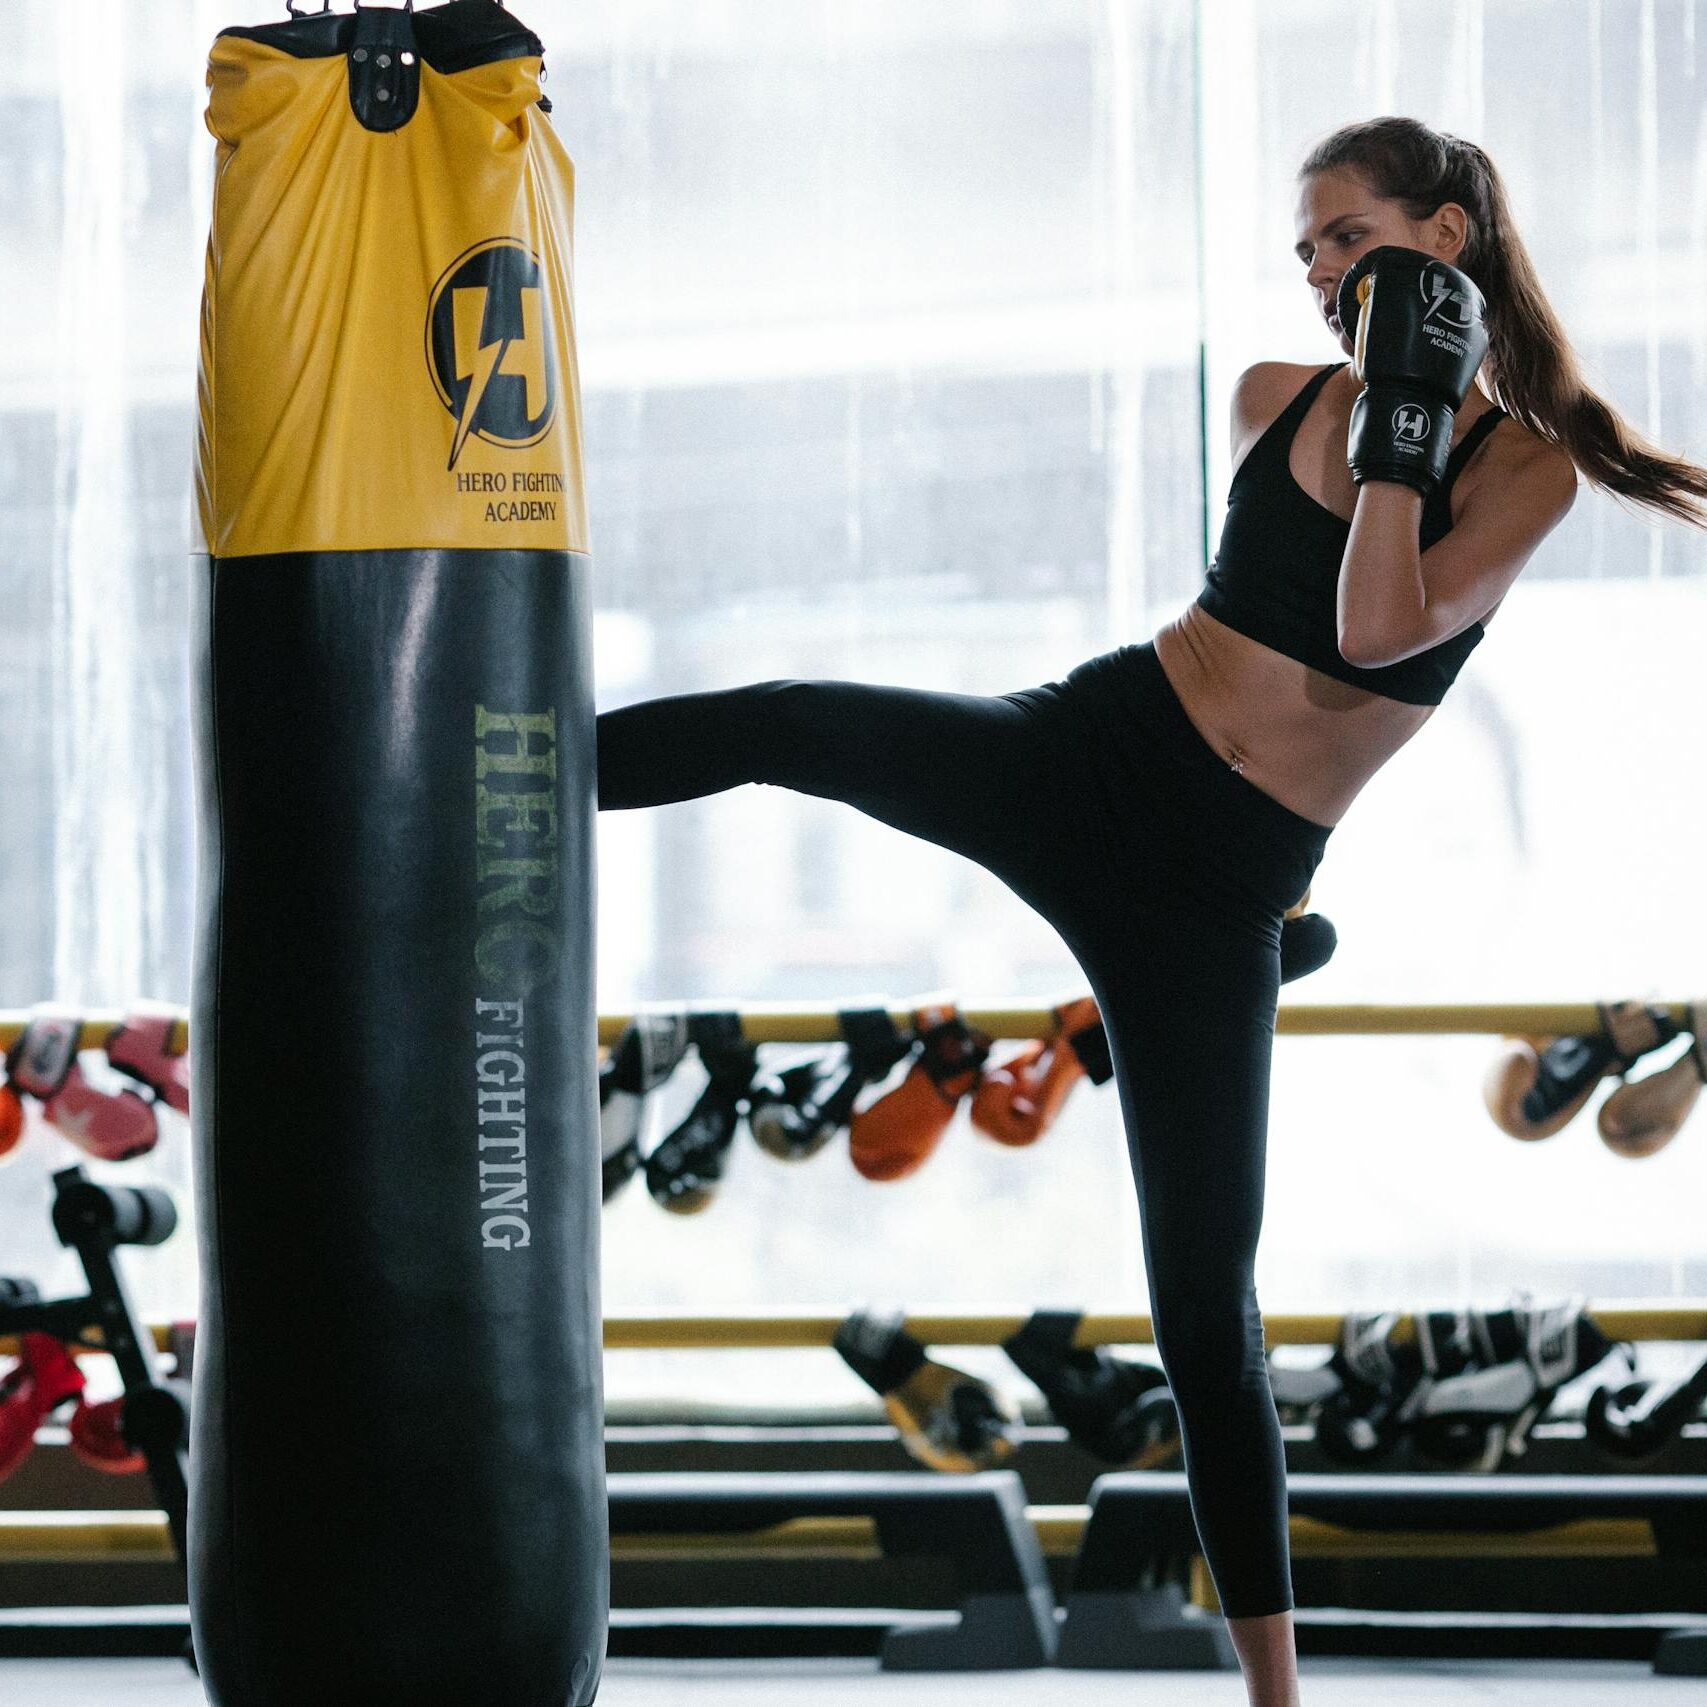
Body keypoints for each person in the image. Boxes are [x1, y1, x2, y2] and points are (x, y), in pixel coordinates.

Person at [594, 117, 1707, 1706]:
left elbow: (1377, 625)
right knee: (794, 723)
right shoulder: (1277, 398)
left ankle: (1272, 1694)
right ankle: (478, 782)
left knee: (1203, 1309)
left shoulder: (1528, 467)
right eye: (1306, 251)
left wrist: (1411, 414)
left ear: (1445, 239)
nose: (1321, 272)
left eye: (1346, 238)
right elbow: (1292, 611)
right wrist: (1377, 391)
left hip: (1213, 888)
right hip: (1089, 750)